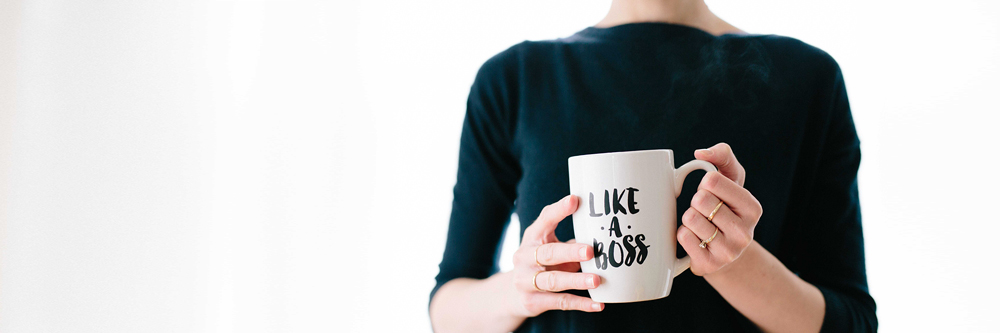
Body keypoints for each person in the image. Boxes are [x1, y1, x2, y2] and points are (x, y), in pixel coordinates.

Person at [428, 0, 877, 332]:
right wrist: (521, 290)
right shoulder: (514, 80)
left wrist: (729, 261)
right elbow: (447, 309)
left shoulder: (807, 79)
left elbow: (852, 321)